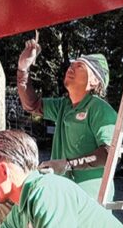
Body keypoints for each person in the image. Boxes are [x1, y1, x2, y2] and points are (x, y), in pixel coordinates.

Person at [17, 36, 117, 201]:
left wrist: (67, 164)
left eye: (80, 66)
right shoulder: (64, 105)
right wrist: (23, 69)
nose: (71, 67)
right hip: (64, 195)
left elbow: (109, 153)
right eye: (71, 64)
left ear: (94, 81)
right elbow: (31, 105)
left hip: (90, 199)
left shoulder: (99, 109)